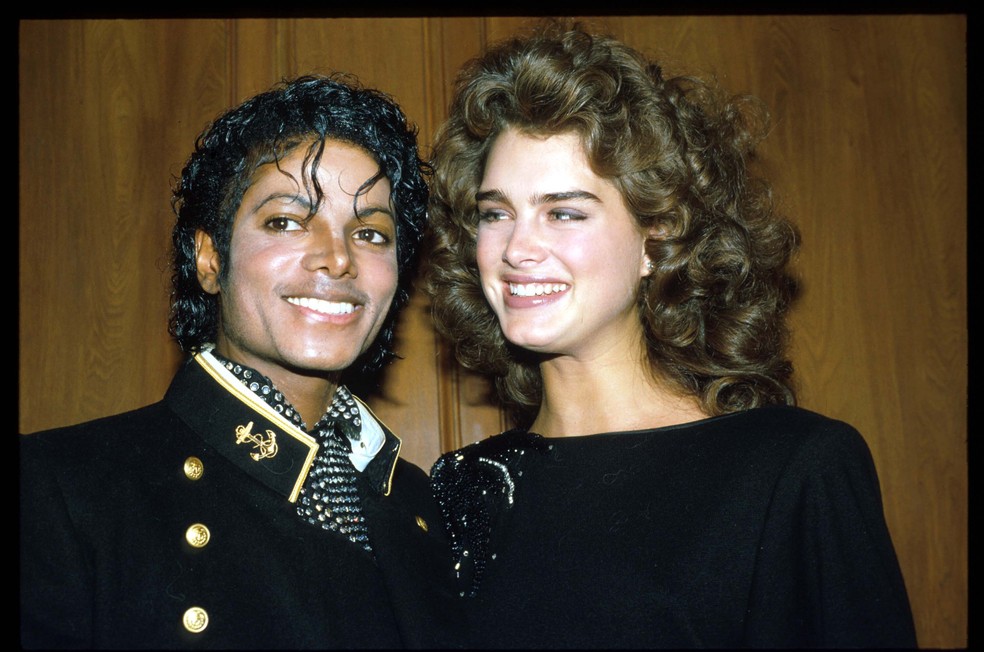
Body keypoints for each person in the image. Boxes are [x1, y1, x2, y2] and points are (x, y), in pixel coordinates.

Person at [425, 21, 917, 649]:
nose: (518, 248)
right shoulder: (455, 489)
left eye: (564, 211)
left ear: (656, 237)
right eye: (496, 214)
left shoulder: (790, 470)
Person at [20, 73, 464, 649]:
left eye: (371, 233)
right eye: (285, 221)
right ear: (209, 258)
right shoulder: (58, 487)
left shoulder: (416, 503)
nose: (337, 259)